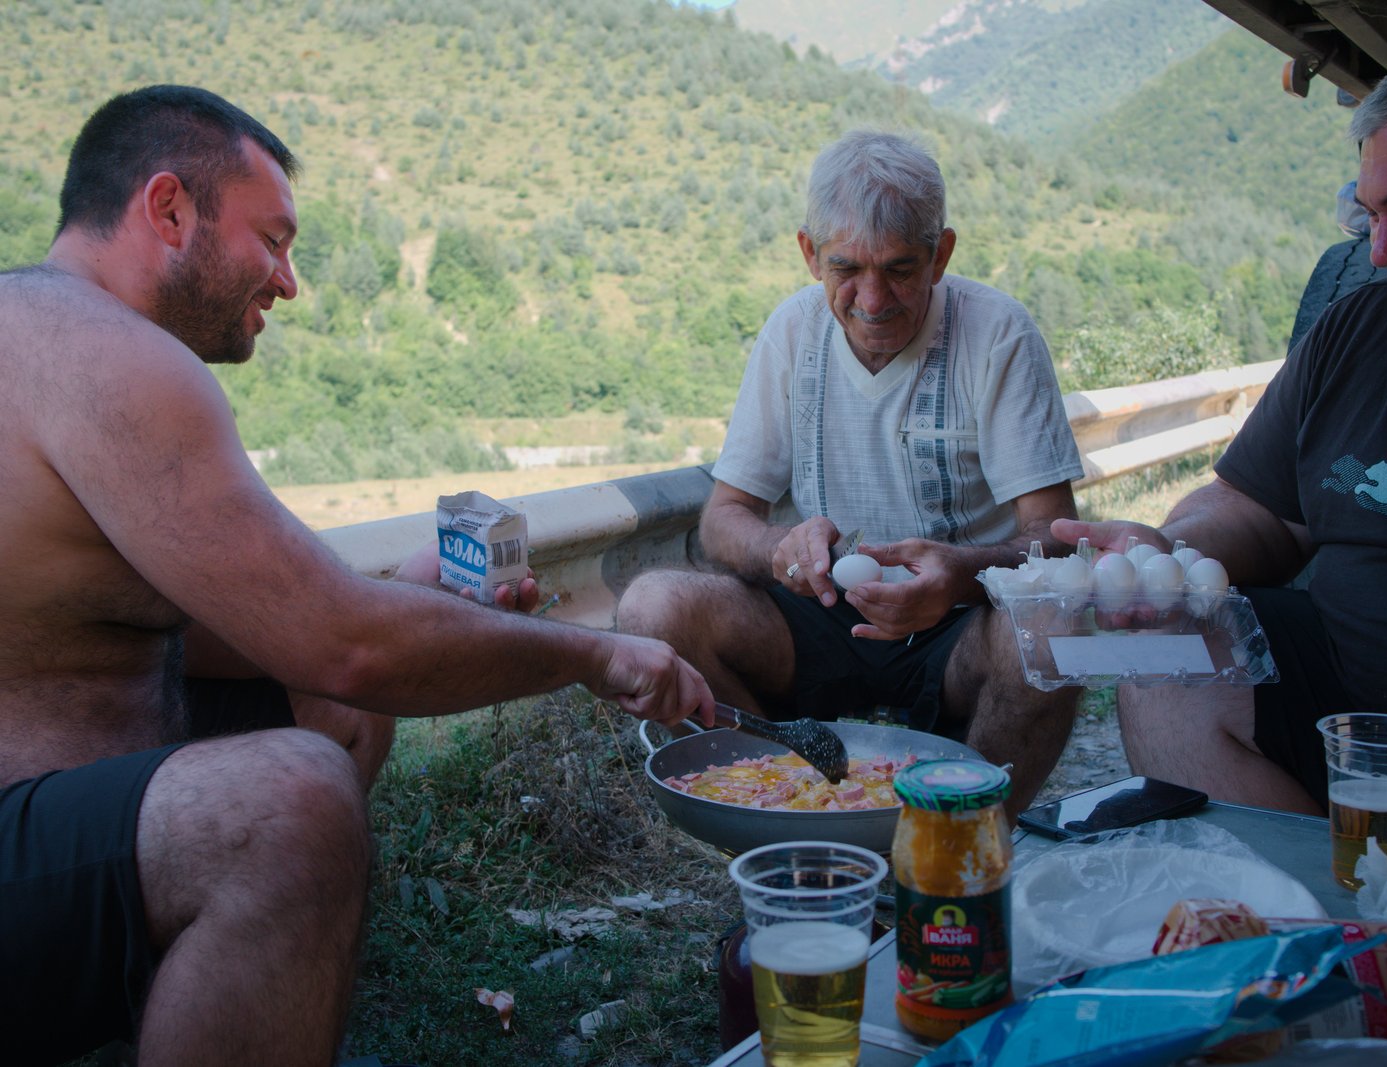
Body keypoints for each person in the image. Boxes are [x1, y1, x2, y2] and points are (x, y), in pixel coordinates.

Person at [0, 85, 714, 1067]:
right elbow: (348, 639)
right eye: (273, 240)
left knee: (332, 710)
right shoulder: (104, 358)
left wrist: (417, 590)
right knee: (289, 802)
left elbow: (256, 622)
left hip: (62, 814)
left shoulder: (59, 340)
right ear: (167, 210)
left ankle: (222, 1011)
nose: (288, 281)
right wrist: (597, 654)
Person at [1054, 34, 1387, 866]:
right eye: (1368, 213)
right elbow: (1253, 508)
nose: (1380, 253)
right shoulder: (1363, 327)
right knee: (1165, 659)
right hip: (1342, 737)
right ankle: (1332, 919)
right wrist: (1170, 556)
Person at [617, 129, 1085, 816]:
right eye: (846, 269)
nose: (872, 299)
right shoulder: (791, 333)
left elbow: (1056, 537)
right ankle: (790, 810)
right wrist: (779, 548)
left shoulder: (998, 334)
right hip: (820, 618)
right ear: (809, 255)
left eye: (900, 268)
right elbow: (723, 521)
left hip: (960, 625)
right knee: (651, 611)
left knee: (1057, 628)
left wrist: (959, 572)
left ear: (942, 254)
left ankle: (962, 838)